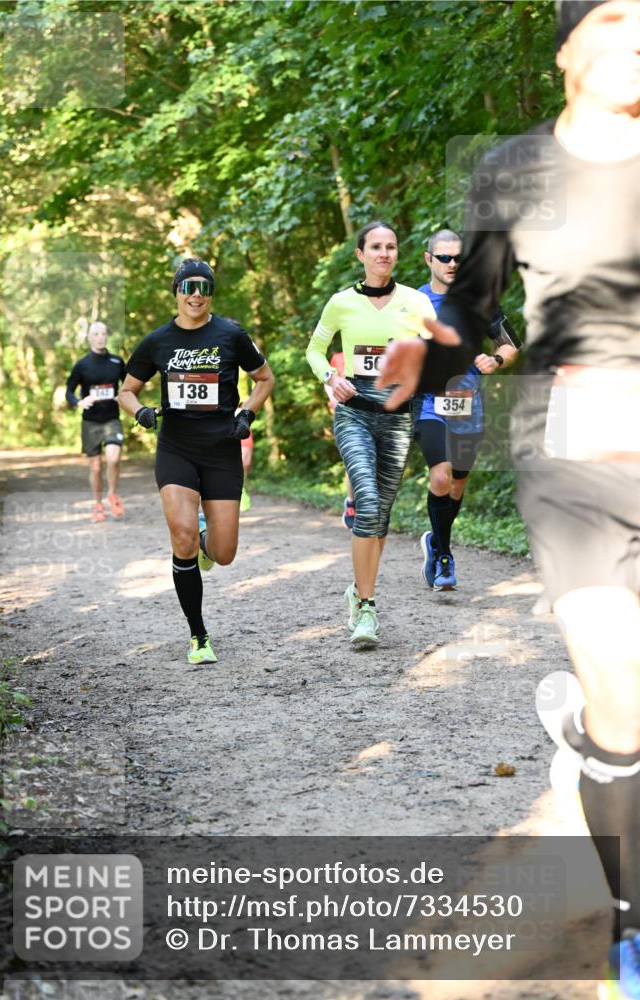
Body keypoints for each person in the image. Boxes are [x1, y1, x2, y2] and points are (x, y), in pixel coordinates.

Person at [378, 2, 640, 994]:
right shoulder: (511, 172)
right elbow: (473, 309)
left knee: (632, 713)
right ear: (567, 42)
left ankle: (594, 758)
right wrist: (429, 343)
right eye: (614, 16)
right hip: (572, 457)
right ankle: (629, 931)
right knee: (623, 689)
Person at [118, 259, 275, 666]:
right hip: (177, 448)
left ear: (210, 294)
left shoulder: (230, 334)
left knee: (224, 554)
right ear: (176, 291)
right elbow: (127, 391)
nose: (196, 294)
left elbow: (265, 379)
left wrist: (247, 414)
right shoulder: (157, 341)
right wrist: (140, 413)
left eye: (204, 287)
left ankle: (207, 543)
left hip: (222, 449)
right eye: (188, 287)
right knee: (182, 536)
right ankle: (198, 635)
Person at [306, 221, 435, 649]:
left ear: (397, 254)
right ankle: (366, 608)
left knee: (380, 515)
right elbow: (314, 349)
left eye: (391, 247)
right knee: (366, 500)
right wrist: (330, 377)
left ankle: (356, 590)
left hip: (396, 416)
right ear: (360, 254)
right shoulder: (341, 303)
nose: (384, 253)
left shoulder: (416, 302)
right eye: (375, 247)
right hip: (354, 411)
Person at [414, 229, 519, 591]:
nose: (452, 264)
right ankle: (444, 556)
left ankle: (435, 540)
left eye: (459, 258)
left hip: (468, 405)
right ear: (429, 260)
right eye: (444, 257)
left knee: (457, 483)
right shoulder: (413, 301)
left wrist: (495, 359)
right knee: (440, 476)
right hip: (428, 403)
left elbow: (511, 344)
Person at [65, 321, 126, 523]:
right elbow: (69, 392)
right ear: (89, 337)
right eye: (96, 333)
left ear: (107, 336)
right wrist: (79, 402)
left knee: (114, 458)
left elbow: (129, 386)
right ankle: (98, 504)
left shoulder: (117, 362)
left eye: (103, 333)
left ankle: (113, 494)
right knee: (96, 468)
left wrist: (123, 396)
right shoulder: (82, 365)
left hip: (112, 419)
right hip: (90, 422)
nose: (100, 337)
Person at [324, 350, 356, 529]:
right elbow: (328, 380)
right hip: (345, 413)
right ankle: (351, 502)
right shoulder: (338, 357)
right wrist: (334, 400)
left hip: (375, 413)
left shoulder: (380, 349)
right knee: (352, 460)